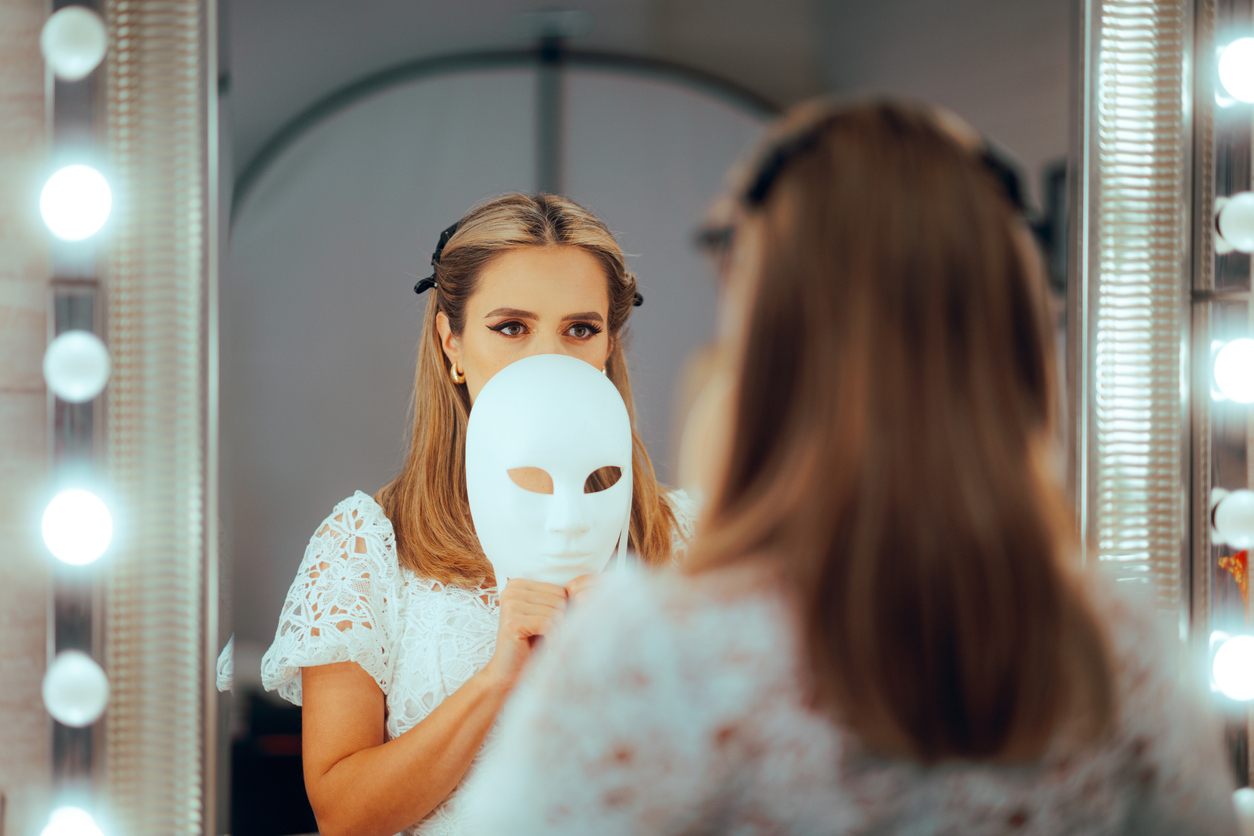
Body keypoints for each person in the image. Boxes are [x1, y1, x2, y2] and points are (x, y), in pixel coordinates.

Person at [464, 101, 1239, 834]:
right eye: (510, 327)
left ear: (767, 339)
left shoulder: (655, 661)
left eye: (580, 328)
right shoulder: (1116, 650)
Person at [259, 193, 696, 836]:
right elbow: (344, 815)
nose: (549, 357)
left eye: (580, 329)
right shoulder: (369, 544)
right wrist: (498, 680)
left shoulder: (687, 539)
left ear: (609, 346)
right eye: (511, 327)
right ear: (452, 342)